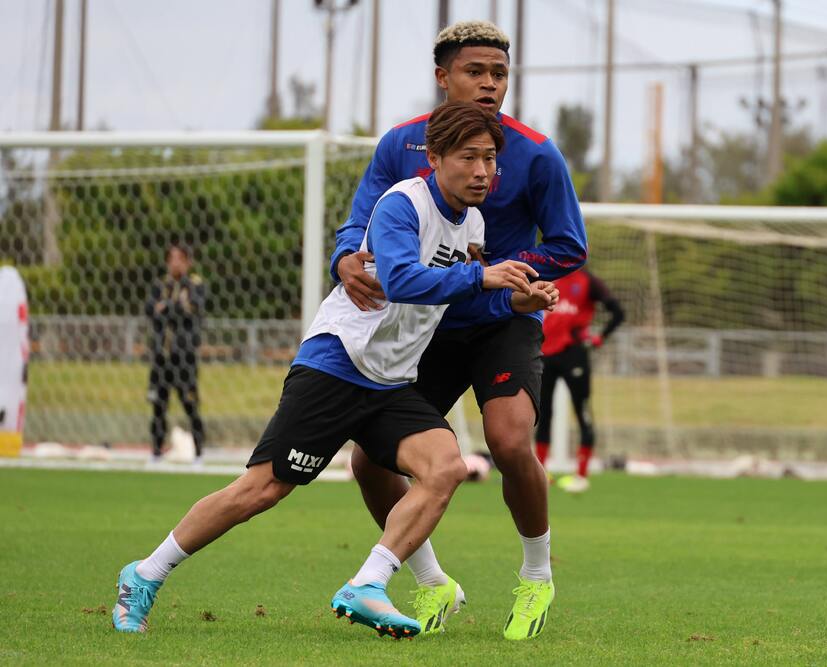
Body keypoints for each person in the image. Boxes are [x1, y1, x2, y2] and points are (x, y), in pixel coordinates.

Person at [113, 101, 554, 638]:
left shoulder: (474, 224)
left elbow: (455, 299)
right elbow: (399, 280)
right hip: (338, 363)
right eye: (469, 157)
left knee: (446, 467)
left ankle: (368, 584)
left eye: (489, 158)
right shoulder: (402, 204)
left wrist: (515, 302)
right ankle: (144, 574)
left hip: (391, 382)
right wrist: (483, 278)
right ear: (435, 158)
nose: (482, 171)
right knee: (261, 490)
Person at [331, 21, 588, 640]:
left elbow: (569, 244)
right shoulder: (400, 144)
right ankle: (431, 582)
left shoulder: (537, 153)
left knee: (508, 442)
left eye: (500, 73)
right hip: (426, 326)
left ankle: (536, 575)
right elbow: (361, 219)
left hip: (502, 320)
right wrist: (344, 257)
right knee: (369, 461)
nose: (490, 83)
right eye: (476, 72)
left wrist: (506, 274)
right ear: (443, 77)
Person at [535, 269, 625, 493]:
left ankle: (581, 475)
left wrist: (599, 338)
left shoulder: (588, 281)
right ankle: (540, 474)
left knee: (582, 411)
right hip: (545, 354)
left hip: (574, 354)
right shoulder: (545, 275)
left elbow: (618, 312)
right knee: (542, 413)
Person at [145, 243, 206, 464]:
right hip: (161, 356)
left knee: (190, 404)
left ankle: (199, 453)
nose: (175, 263)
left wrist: (167, 308)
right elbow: (149, 310)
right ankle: (156, 451)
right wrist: (174, 307)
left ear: (188, 262)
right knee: (158, 404)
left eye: (180, 258)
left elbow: (193, 310)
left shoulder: (195, 285)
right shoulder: (160, 285)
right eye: (171, 259)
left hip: (184, 356)